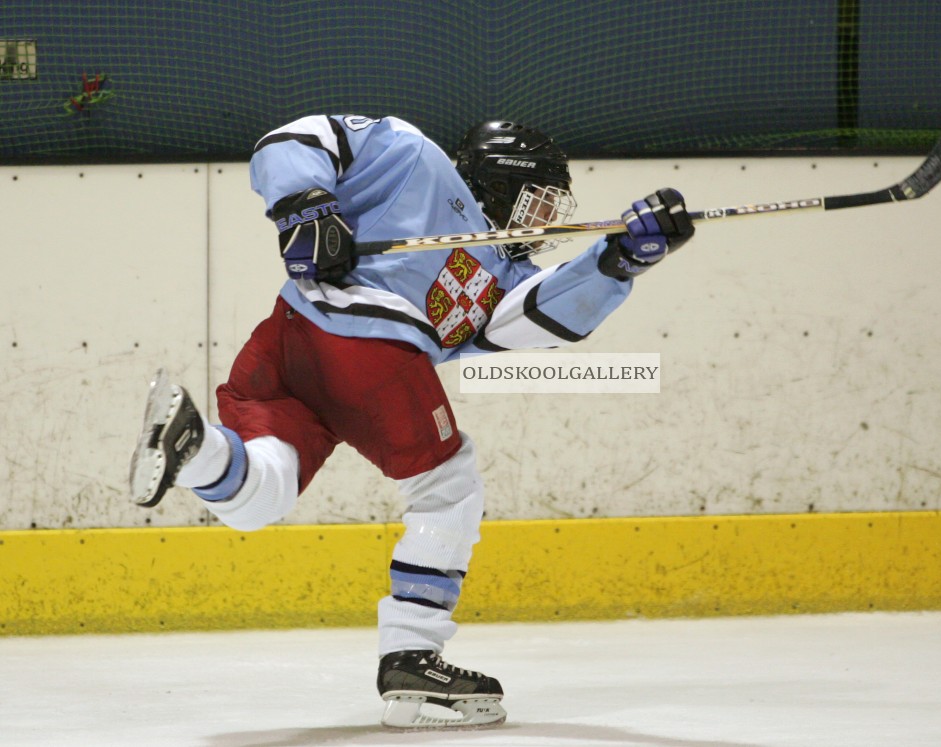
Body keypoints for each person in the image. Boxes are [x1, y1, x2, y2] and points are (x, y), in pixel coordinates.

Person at [128, 114, 694, 730]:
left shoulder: (504, 275)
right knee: (449, 485)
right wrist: (303, 203)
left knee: (262, 493)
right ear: (497, 181)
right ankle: (412, 659)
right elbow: (295, 139)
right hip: (369, 345)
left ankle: (195, 447)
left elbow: (538, 318)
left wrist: (617, 261)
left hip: (289, 343)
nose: (542, 222)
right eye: (537, 202)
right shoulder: (411, 155)